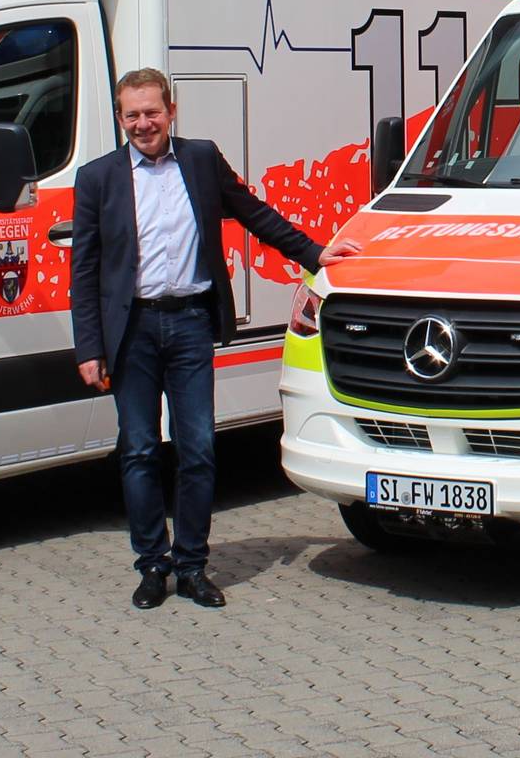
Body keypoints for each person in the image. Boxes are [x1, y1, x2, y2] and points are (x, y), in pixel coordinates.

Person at [71, 66, 360, 611]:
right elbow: (84, 271)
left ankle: (193, 566)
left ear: (171, 111)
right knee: (137, 450)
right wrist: (89, 347)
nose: (143, 123)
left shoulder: (200, 160)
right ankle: (152, 565)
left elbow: (253, 213)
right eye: (131, 115)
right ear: (119, 119)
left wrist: (315, 254)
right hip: (130, 330)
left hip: (189, 324)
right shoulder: (98, 178)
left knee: (198, 449)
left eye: (151, 112)